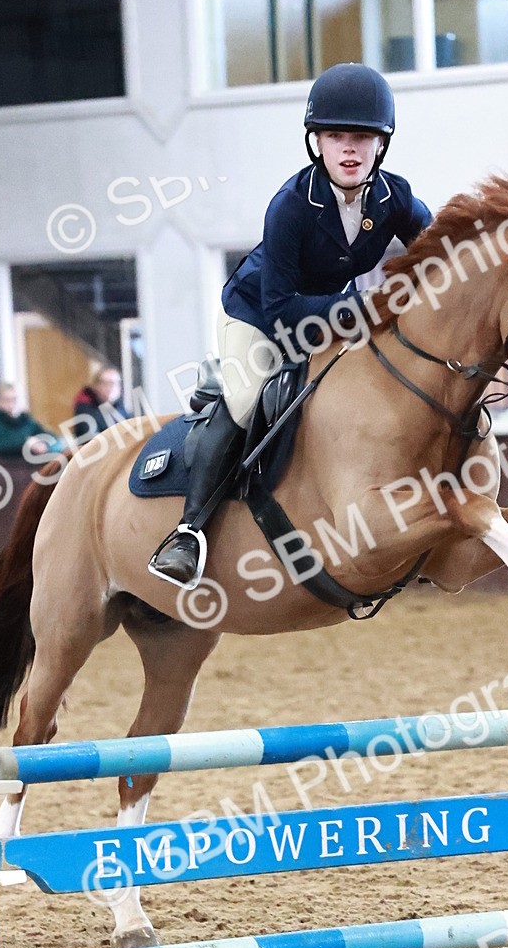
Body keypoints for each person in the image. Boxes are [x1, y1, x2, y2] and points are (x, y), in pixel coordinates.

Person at [150, 62, 432, 587]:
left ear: (381, 145)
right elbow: (280, 307)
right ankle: (189, 533)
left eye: (362, 138)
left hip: (336, 314)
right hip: (257, 316)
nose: (349, 149)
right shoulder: (290, 207)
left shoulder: (394, 196)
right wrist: (360, 311)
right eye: (336, 136)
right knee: (246, 398)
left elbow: (439, 248)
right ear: (317, 144)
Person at [0, 383, 56, 457]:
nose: (11, 404)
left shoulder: (26, 420)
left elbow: (50, 436)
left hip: (28, 465)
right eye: (6, 400)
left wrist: (42, 443)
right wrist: (24, 443)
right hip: (2, 465)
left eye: (15, 400)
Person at [71, 367, 130, 444]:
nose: (109, 388)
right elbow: (93, 444)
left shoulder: (120, 407)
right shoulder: (84, 410)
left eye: (113, 383)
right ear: (96, 386)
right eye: (105, 383)